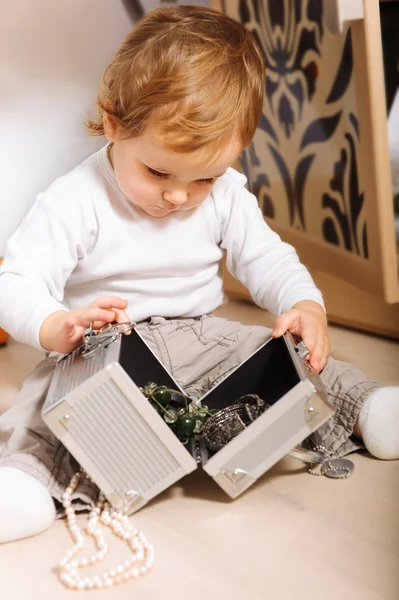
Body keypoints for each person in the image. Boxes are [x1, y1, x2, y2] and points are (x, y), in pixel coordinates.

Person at [0, 5, 397, 545]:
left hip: (202, 337)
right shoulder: (74, 199)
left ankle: (367, 407)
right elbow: (16, 282)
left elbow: (268, 258)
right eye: (158, 171)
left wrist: (306, 305)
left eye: (204, 178)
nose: (178, 196)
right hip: (102, 346)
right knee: (43, 401)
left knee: (285, 355)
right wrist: (55, 325)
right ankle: (23, 483)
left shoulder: (227, 193)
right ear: (114, 123)